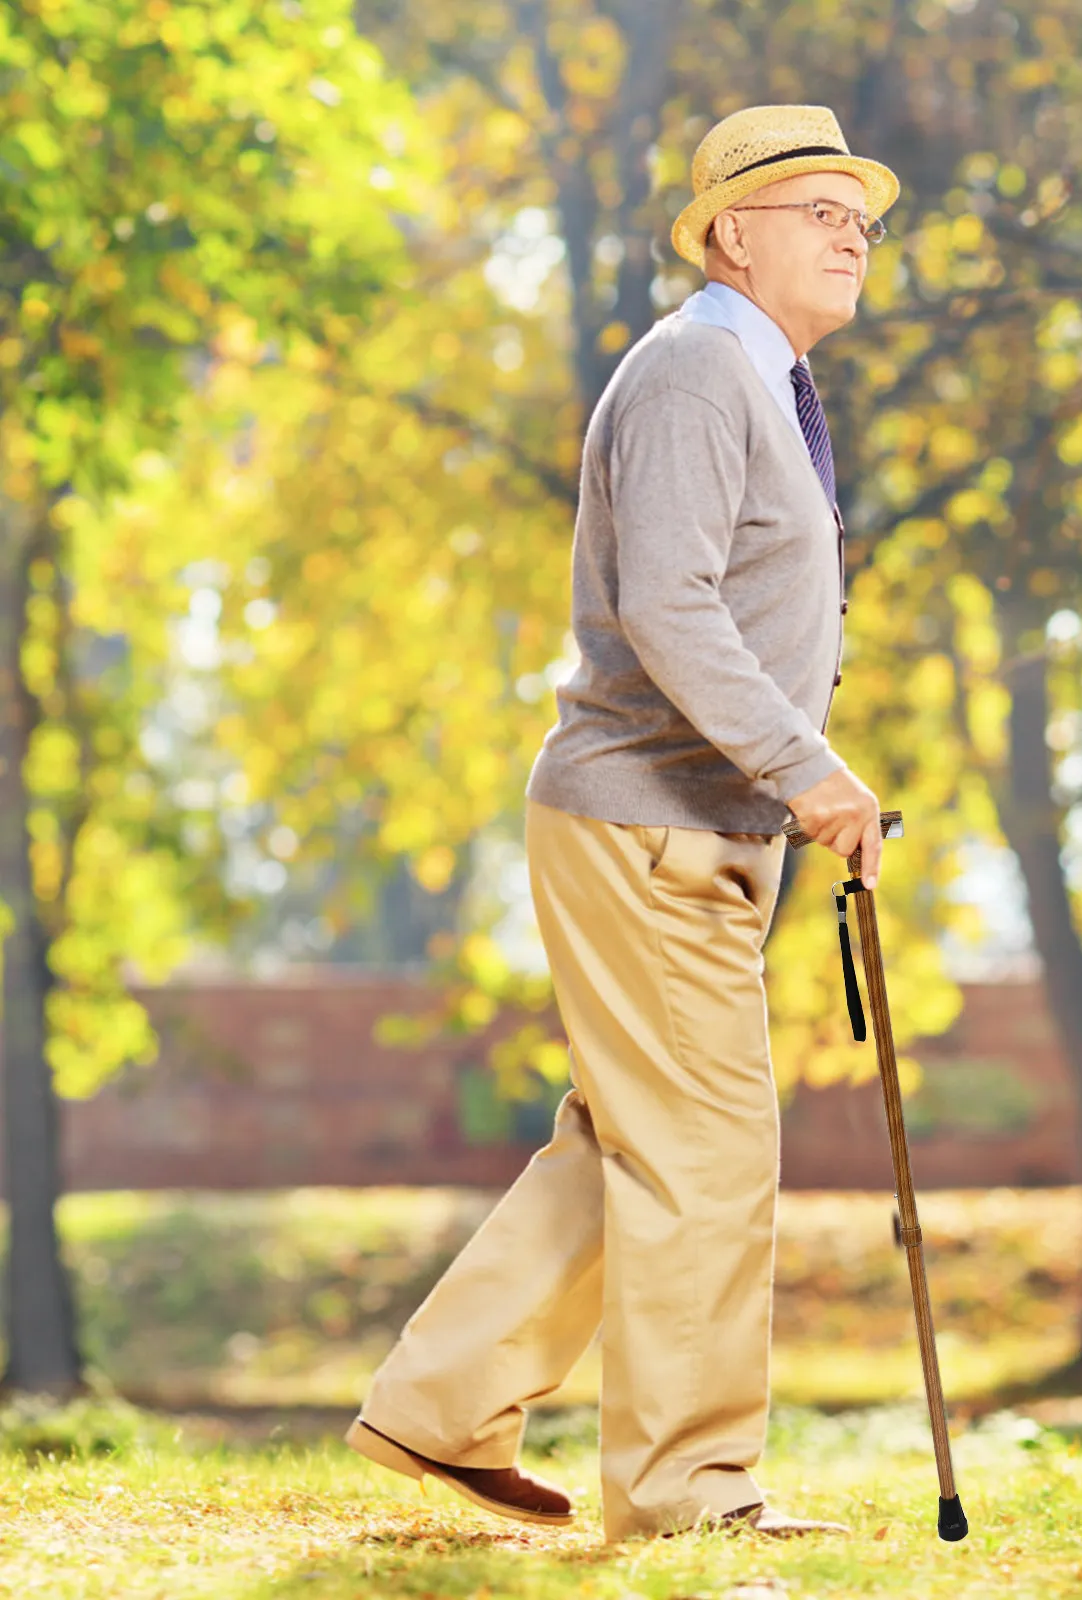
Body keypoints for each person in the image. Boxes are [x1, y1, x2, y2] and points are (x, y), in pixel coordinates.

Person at [344, 104, 900, 1543]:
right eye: (814, 207)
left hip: (687, 828)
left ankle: (438, 1408)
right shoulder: (696, 375)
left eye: (863, 215)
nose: (853, 231)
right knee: (707, 1157)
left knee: (629, 1145)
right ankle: (687, 1494)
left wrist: (778, 787)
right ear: (730, 233)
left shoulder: (753, 381)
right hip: (649, 822)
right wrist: (807, 766)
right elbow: (667, 605)